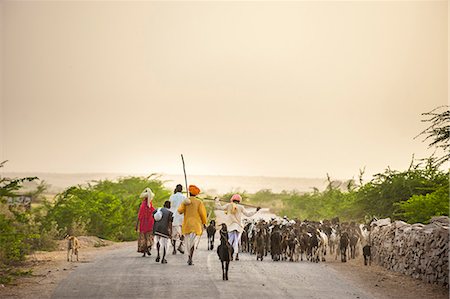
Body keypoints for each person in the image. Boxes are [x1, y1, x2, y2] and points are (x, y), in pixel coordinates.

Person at [215, 194, 260, 261]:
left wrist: (217, 201)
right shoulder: (241, 207)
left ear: (232, 199)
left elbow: (219, 207)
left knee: (230, 241)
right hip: (238, 227)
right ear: (239, 200)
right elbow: (248, 214)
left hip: (230, 226)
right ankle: (236, 255)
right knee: (237, 241)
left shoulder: (228, 205)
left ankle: (229, 254)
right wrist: (256, 210)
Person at [177, 184, 207, 265]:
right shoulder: (199, 202)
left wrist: (185, 203)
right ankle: (190, 258)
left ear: (189, 193)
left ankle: (189, 257)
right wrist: (204, 223)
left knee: (187, 242)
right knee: (193, 242)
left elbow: (179, 211)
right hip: (196, 225)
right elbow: (202, 214)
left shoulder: (186, 201)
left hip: (187, 224)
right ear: (196, 194)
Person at [136, 188, 155, 257]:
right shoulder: (149, 204)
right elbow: (154, 213)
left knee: (143, 237)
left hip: (143, 224)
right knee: (149, 237)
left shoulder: (143, 205)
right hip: (150, 224)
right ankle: (148, 248)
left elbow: (139, 216)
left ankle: (144, 251)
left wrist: (137, 224)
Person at [169, 184, 186, 254]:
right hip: (181, 217)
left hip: (173, 216)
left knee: (174, 234)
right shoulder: (184, 197)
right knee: (183, 233)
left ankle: (174, 249)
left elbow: (170, 205)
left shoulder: (172, 197)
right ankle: (180, 245)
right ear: (181, 189)